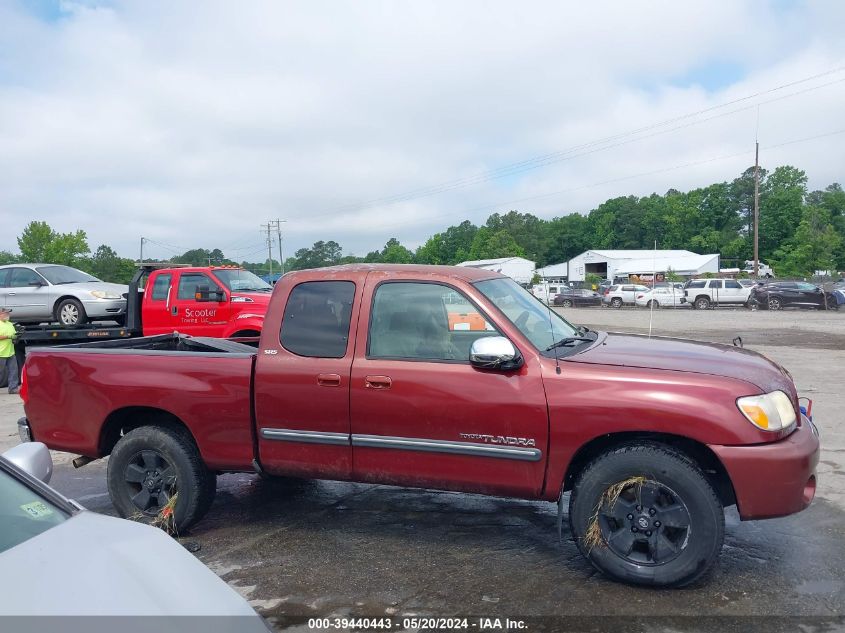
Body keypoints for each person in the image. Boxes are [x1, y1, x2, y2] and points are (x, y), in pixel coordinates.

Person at [0, 307, 20, 394]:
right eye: (6, 313)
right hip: (1, 353)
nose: (8, 315)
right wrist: (9, 337)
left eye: (8, 313)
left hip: (11, 352)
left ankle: (13, 388)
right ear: (0, 315)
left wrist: (16, 337)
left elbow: (13, 335)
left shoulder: (10, 324)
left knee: (14, 371)